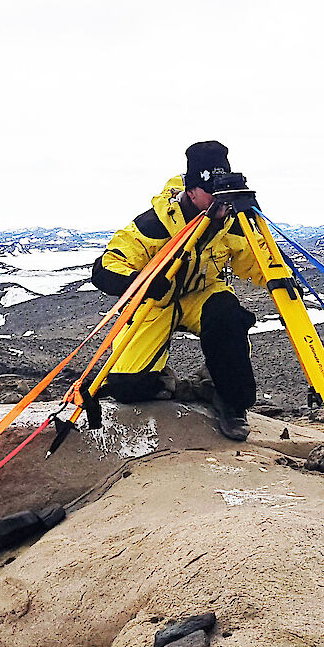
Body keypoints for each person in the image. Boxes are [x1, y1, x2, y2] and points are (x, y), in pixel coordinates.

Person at [89, 140, 267, 440]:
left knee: (227, 315)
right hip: (159, 300)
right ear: (193, 190)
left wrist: (281, 277)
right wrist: (143, 282)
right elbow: (106, 268)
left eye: (224, 197)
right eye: (213, 196)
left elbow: (255, 261)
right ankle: (163, 381)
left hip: (204, 294)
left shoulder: (232, 221)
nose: (220, 205)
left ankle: (226, 396)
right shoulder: (155, 222)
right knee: (127, 387)